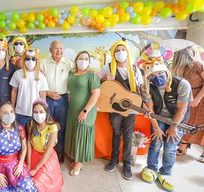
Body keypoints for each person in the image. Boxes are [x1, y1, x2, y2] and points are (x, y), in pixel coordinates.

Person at [141, 58, 192, 192]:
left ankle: (166, 173)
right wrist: (157, 128)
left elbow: (182, 109)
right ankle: (151, 168)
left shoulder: (182, 84)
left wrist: (173, 127)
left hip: (177, 119)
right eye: (152, 75)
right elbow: (150, 109)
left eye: (159, 73)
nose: (156, 77)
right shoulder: (146, 86)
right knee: (156, 142)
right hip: (158, 117)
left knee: (170, 146)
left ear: (166, 71)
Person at [100, 38, 143, 180]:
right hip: (114, 106)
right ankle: (114, 159)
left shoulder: (135, 69)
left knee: (128, 135)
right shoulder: (107, 67)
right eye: (117, 51)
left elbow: (141, 89)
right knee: (116, 132)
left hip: (130, 108)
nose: (120, 53)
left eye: (123, 50)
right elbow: (100, 87)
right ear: (113, 53)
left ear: (128, 52)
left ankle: (127, 163)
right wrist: (104, 78)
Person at [0, 101, 37, 192]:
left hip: (15, 165)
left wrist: (20, 164)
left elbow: (24, 148)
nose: (9, 114)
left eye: (11, 112)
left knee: (27, 187)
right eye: (5, 113)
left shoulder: (20, 129)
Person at [65, 51, 101, 176]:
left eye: (86, 59)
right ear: (76, 60)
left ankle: (79, 162)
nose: (83, 61)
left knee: (81, 133)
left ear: (89, 62)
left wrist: (85, 111)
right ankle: (75, 156)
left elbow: (96, 94)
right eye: (81, 58)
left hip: (86, 110)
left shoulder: (91, 75)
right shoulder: (71, 73)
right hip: (72, 110)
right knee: (74, 132)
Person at [40, 40, 74, 164]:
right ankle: (43, 151)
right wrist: (48, 93)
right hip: (47, 98)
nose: (59, 51)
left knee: (60, 126)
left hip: (62, 99)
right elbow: (38, 81)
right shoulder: (43, 63)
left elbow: (78, 74)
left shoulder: (69, 64)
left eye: (61, 48)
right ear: (50, 50)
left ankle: (60, 151)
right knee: (45, 125)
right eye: (56, 48)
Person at [170, 46, 204, 161]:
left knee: (201, 124)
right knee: (188, 123)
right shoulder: (179, 69)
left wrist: (198, 98)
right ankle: (183, 145)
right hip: (188, 99)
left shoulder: (197, 65)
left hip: (201, 97)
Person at [26, 99, 63, 191]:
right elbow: (29, 145)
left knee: (38, 183)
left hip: (46, 158)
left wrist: (35, 169)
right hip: (34, 156)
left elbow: (48, 151)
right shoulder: (31, 125)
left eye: (41, 112)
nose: (38, 115)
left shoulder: (52, 128)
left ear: (46, 112)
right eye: (35, 112)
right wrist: (29, 165)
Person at [10, 47, 49, 127]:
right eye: (27, 59)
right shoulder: (17, 74)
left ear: (37, 60)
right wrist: (12, 108)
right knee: (20, 136)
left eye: (33, 59)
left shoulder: (41, 75)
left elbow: (43, 95)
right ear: (24, 59)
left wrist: (43, 111)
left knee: (34, 137)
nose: (30, 61)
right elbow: (14, 92)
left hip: (35, 113)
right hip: (20, 112)